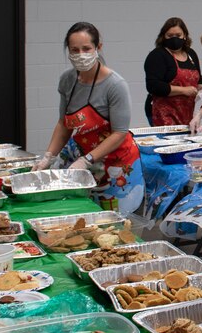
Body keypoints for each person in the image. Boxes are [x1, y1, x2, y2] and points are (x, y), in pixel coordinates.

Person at [34, 22, 144, 215]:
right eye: (74, 50)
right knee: (86, 219)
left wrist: (87, 159)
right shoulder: (67, 80)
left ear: (98, 47)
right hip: (86, 159)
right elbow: (64, 123)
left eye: (86, 49)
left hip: (117, 163)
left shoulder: (115, 85)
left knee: (114, 224)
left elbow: (120, 132)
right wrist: (48, 157)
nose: (80, 55)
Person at [144, 17, 202, 126]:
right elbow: (153, 86)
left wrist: (201, 86)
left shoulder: (191, 54)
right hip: (163, 113)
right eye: (170, 36)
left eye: (178, 35)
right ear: (163, 36)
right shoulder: (157, 55)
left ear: (185, 36)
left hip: (186, 111)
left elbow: (199, 78)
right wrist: (183, 90)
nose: (174, 39)